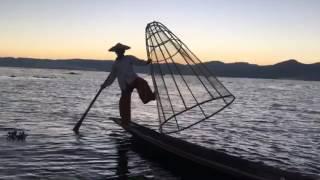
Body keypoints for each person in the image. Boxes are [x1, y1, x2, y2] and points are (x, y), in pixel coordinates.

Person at [101, 43, 155, 125]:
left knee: (143, 83)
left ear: (123, 51)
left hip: (133, 79)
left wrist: (147, 62)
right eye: (118, 51)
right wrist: (104, 85)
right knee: (124, 103)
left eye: (121, 50)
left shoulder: (129, 58)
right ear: (116, 52)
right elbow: (112, 76)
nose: (120, 52)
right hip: (124, 85)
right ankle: (126, 120)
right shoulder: (116, 64)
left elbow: (139, 62)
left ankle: (150, 97)